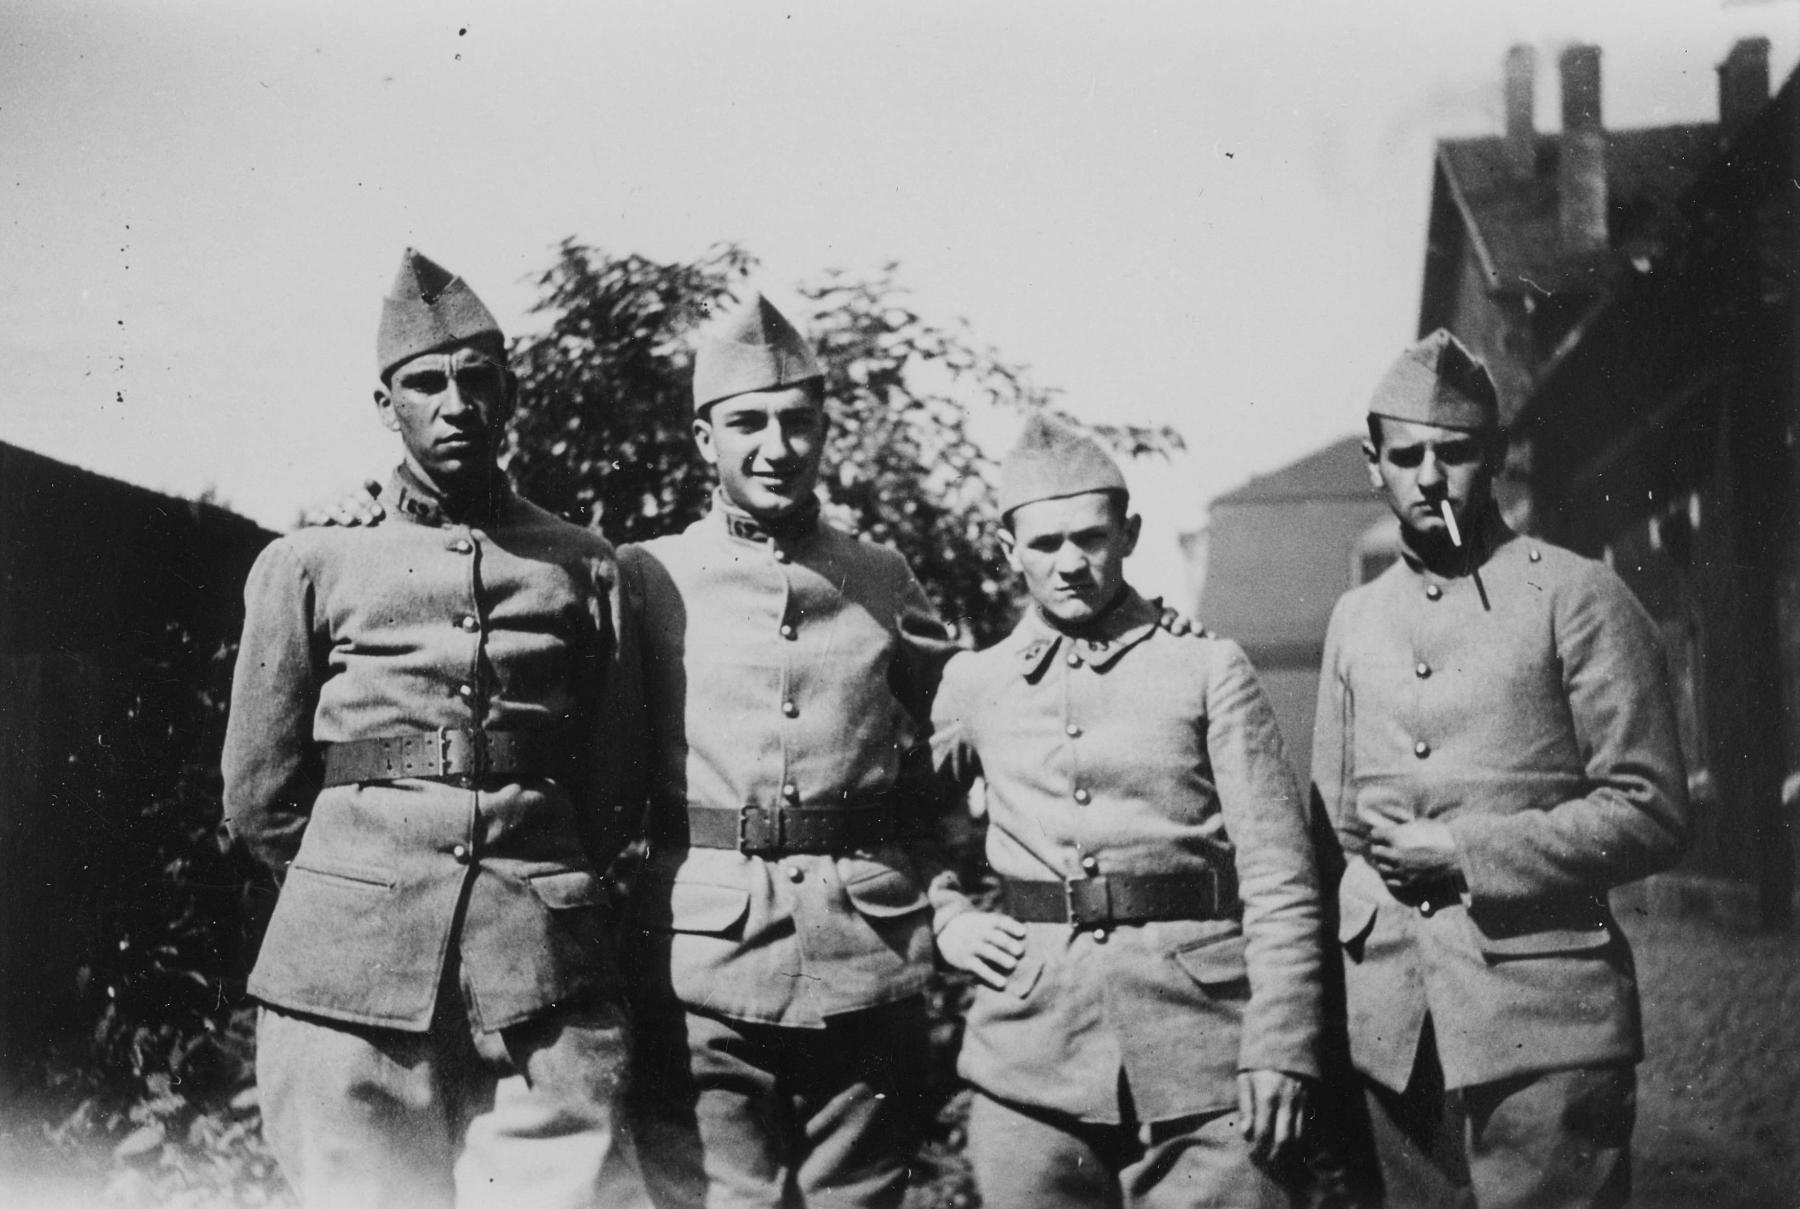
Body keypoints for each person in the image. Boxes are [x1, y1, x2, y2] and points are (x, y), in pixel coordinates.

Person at [222, 249, 648, 1209]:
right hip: (346, 980)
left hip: (540, 977)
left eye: (477, 380)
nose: (456, 405)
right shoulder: (311, 563)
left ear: (509, 394)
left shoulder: (583, 565)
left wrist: (531, 888)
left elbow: (613, 787)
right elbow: (258, 794)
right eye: (425, 384)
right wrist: (360, 886)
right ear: (387, 406)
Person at [1310, 330, 1689, 1208]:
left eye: (1455, 453)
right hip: (1393, 1039)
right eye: (1407, 456)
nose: (1430, 478)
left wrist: (1468, 852)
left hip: (1545, 1024)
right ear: (1373, 464)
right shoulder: (1355, 619)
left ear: (1498, 453)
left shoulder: (1577, 596)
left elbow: (1653, 808)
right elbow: (1330, 836)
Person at [610, 292, 962, 1209]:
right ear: (704, 439)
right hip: (700, 971)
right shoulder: (647, 574)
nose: (777, 446)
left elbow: (973, 726)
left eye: (798, 421)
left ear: (825, 430)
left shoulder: (880, 575)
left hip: (867, 960)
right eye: (748, 423)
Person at [927, 414, 1324, 1209]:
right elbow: (904, 824)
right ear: (1008, 551)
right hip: (1030, 1064)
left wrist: (1281, 1043)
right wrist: (947, 913)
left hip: (1205, 1056)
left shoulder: (1207, 667)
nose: (1070, 562)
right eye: (1045, 544)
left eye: (1091, 537)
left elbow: (1280, 874)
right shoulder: (975, 684)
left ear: (1129, 534)